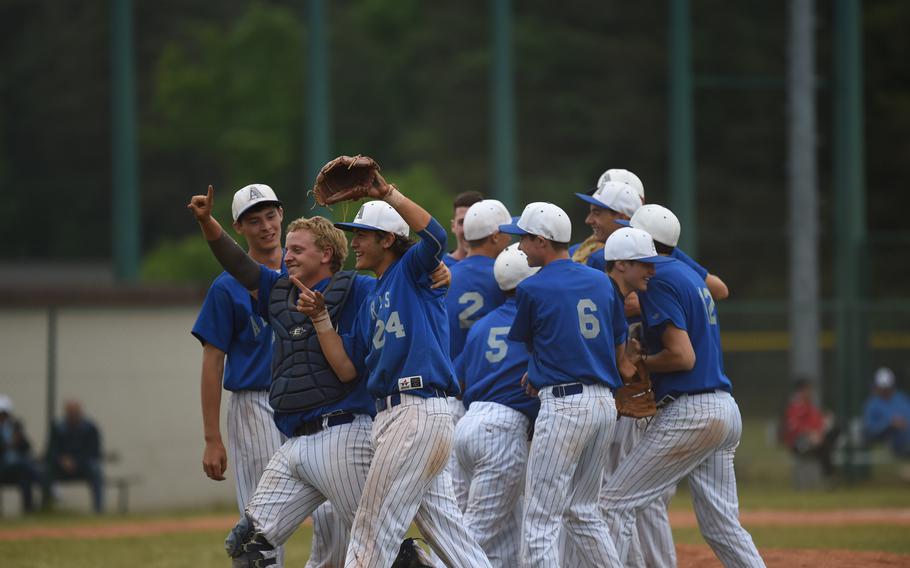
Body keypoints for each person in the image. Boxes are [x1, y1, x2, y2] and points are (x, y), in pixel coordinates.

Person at [296, 175, 491, 567]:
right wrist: (320, 319)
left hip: (414, 410)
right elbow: (349, 368)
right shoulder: (374, 294)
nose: (354, 242)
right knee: (450, 535)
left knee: (371, 530)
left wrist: (386, 193)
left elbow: (434, 236)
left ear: (387, 239)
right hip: (402, 415)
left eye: (363, 234)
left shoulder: (410, 271)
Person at [601, 205, 765, 567]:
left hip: (691, 412)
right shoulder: (687, 273)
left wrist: (641, 362)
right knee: (722, 527)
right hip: (723, 408)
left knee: (614, 502)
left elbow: (683, 357)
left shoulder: (657, 278)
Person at [499, 202, 624, 567]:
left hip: (565, 405)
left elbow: (531, 341)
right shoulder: (601, 279)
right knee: (583, 511)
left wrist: (539, 373)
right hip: (604, 404)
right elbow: (615, 343)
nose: (519, 247)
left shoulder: (532, 288)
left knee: (540, 519)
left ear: (542, 241)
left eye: (523, 238)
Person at [190, 184, 292, 563]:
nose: (265, 226)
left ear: (282, 214)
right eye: (254, 220)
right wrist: (212, 437)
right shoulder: (226, 287)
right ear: (238, 228)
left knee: (333, 511)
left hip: (311, 400)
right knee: (263, 516)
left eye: (270, 215)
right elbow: (212, 361)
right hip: (255, 404)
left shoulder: (306, 269)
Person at [452, 244, 540, 566]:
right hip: (502, 428)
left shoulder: (481, 326)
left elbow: (457, 377)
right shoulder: (536, 322)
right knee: (471, 537)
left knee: (505, 536)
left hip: (468, 424)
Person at [442, 198, 512, 513]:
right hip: (493, 397)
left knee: (455, 501)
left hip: (445, 395)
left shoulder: (444, 276)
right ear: (495, 236)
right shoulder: (505, 278)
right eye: (507, 232)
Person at [43, 400, 104, 514]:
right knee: (45, 471)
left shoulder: (90, 428)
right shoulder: (58, 428)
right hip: (61, 466)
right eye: (70, 412)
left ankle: (98, 509)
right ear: (66, 413)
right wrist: (62, 460)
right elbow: (51, 451)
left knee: (96, 469)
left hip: (83, 466)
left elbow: (93, 451)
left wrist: (76, 461)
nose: (73, 415)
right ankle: (46, 507)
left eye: (76, 412)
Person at [782, 378, 839, 478]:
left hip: (814, 440)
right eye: (808, 389)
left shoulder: (809, 406)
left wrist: (826, 421)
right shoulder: (795, 407)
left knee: (833, 433)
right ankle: (830, 477)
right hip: (799, 443)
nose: (810, 392)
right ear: (800, 391)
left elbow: (818, 423)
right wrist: (810, 433)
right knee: (824, 446)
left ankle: (829, 477)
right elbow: (793, 428)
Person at [0, 394, 41, 513]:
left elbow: (27, 447)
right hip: (2, 466)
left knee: (24, 476)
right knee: (25, 466)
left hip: (17, 468)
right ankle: (46, 484)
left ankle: (28, 509)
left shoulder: (15, 427)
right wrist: (9, 445)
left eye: (4, 414)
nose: (2, 417)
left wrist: (19, 439)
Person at [863, 367, 910, 457]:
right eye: (882, 387)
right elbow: (870, 430)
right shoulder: (872, 404)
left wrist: (902, 423)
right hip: (888, 439)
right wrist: (890, 424)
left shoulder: (901, 398)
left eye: (887, 387)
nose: (885, 390)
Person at [442, 190, 485, 267]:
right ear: (453, 226)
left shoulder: (498, 268)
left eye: (474, 222)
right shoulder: (439, 268)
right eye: (462, 222)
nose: (468, 229)